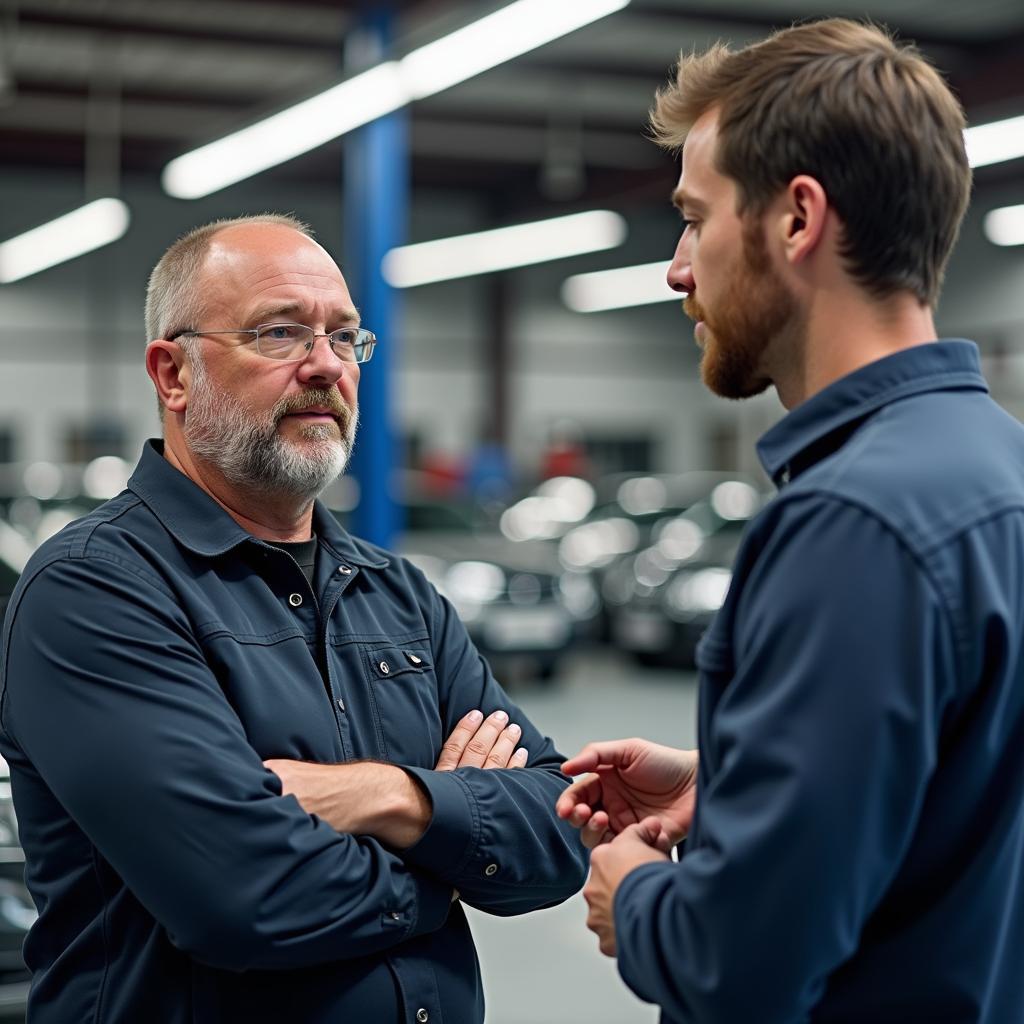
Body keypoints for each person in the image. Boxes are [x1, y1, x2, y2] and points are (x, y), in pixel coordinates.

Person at [0, 214, 587, 1023]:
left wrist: (390, 797)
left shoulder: (398, 593)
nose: (324, 367)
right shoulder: (95, 590)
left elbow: (559, 834)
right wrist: (453, 848)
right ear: (173, 374)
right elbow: (246, 899)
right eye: (280, 333)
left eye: (345, 338)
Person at [557, 18, 1024, 1024]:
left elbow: (739, 962)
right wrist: (739, 779)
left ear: (796, 219)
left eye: (695, 218)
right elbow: (958, 801)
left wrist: (634, 898)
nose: (678, 269)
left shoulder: (855, 524)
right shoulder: (999, 470)